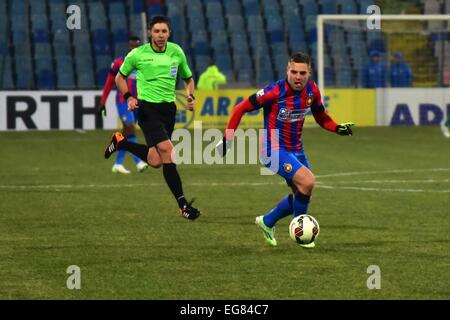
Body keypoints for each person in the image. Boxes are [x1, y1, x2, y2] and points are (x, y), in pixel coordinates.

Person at [217, 52, 354, 247]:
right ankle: (300, 235)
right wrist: (227, 138)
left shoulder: (312, 91)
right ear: (287, 71)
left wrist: (337, 128)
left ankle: (267, 221)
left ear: (309, 73)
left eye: (302, 73)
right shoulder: (274, 92)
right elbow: (240, 108)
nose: (298, 77)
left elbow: (321, 116)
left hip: (296, 149)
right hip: (272, 149)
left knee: (304, 192)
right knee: (308, 181)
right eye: (294, 72)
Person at [103, 15, 200, 220]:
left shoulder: (176, 51)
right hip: (147, 110)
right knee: (169, 152)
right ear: (150, 33)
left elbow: (188, 78)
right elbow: (119, 77)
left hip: (168, 111)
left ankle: (121, 143)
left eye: (164, 31)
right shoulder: (137, 54)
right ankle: (183, 206)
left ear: (169, 33)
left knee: (156, 160)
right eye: (156, 31)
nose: (160, 35)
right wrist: (129, 96)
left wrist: (190, 95)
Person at [97, 36, 149, 174]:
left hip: (139, 101)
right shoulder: (119, 63)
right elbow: (109, 82)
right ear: (129, 47)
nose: (135, 48)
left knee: (128, 132)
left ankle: (118, 163)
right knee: (130, 127)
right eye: (133, 46)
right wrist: (102, 102)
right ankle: (138, 162)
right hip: (123, 100)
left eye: (137, 46)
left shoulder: (145, 63)